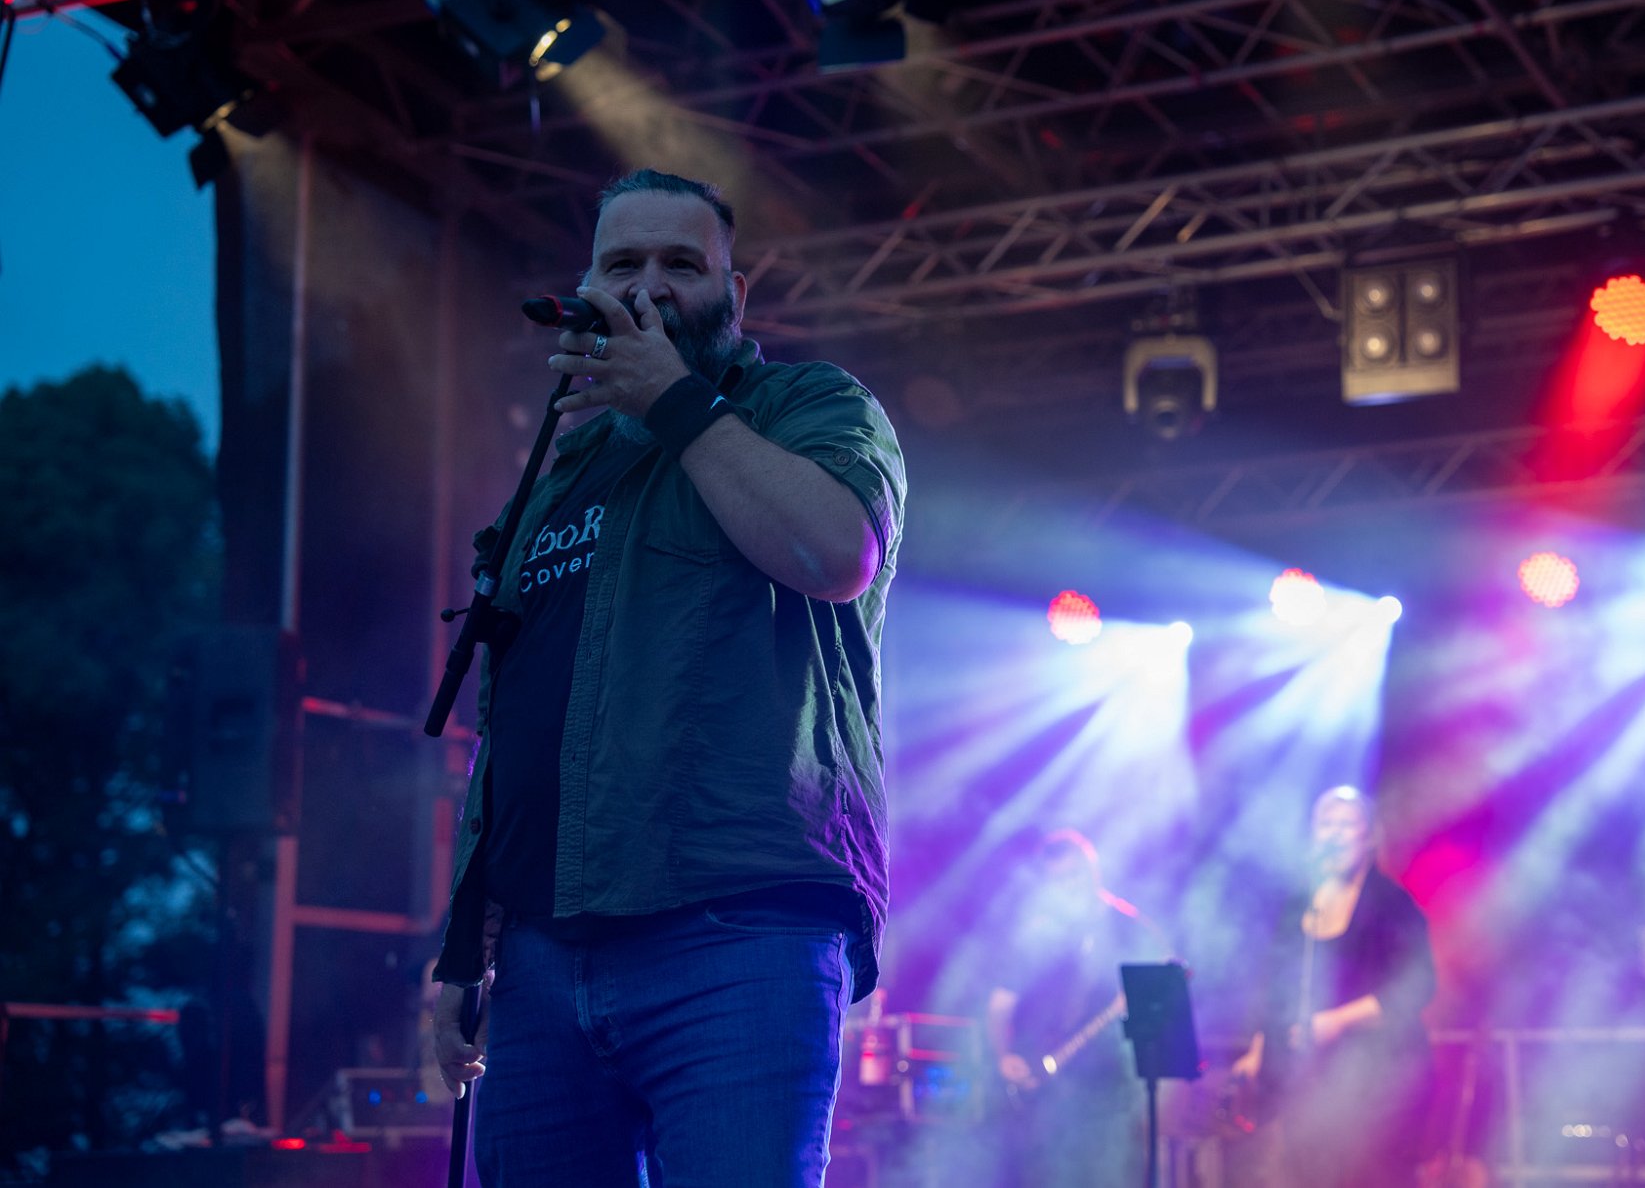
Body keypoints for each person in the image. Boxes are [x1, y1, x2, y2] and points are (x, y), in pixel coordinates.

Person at [429, 169, 906, 1187]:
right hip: (542, 961)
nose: (648, 287)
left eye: (680, 264)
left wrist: (675, 403)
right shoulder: (562, 473)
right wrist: (466, 941)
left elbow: (837, 551)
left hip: (739, 931)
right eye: (622, 265)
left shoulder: (809, 407)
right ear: (586, 291)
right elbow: (513, 722)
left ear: (733, 296)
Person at [1232, 786, 1435, 1188]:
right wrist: (1258, 1051)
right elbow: (1276, 989)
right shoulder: (1297, 906)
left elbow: (1418, 987)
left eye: (1347, 825)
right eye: (1327, 825)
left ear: (1368, 837)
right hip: (1307, 1083)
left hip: (1378, 1081)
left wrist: (1337, 1022)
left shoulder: (1391, 905)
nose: (1336, 834)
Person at [986, 830, 1173, 1188]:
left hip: (1107, 1090)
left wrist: (1140, 999)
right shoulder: (1036, 932)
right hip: (1043, 1094)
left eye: (1072, 878)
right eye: (1056, 881)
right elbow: (1000, 1003)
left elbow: (1167, 977)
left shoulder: (1124, 925)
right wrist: (1004, 1054)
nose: (1066, 889)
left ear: (1091, 875)